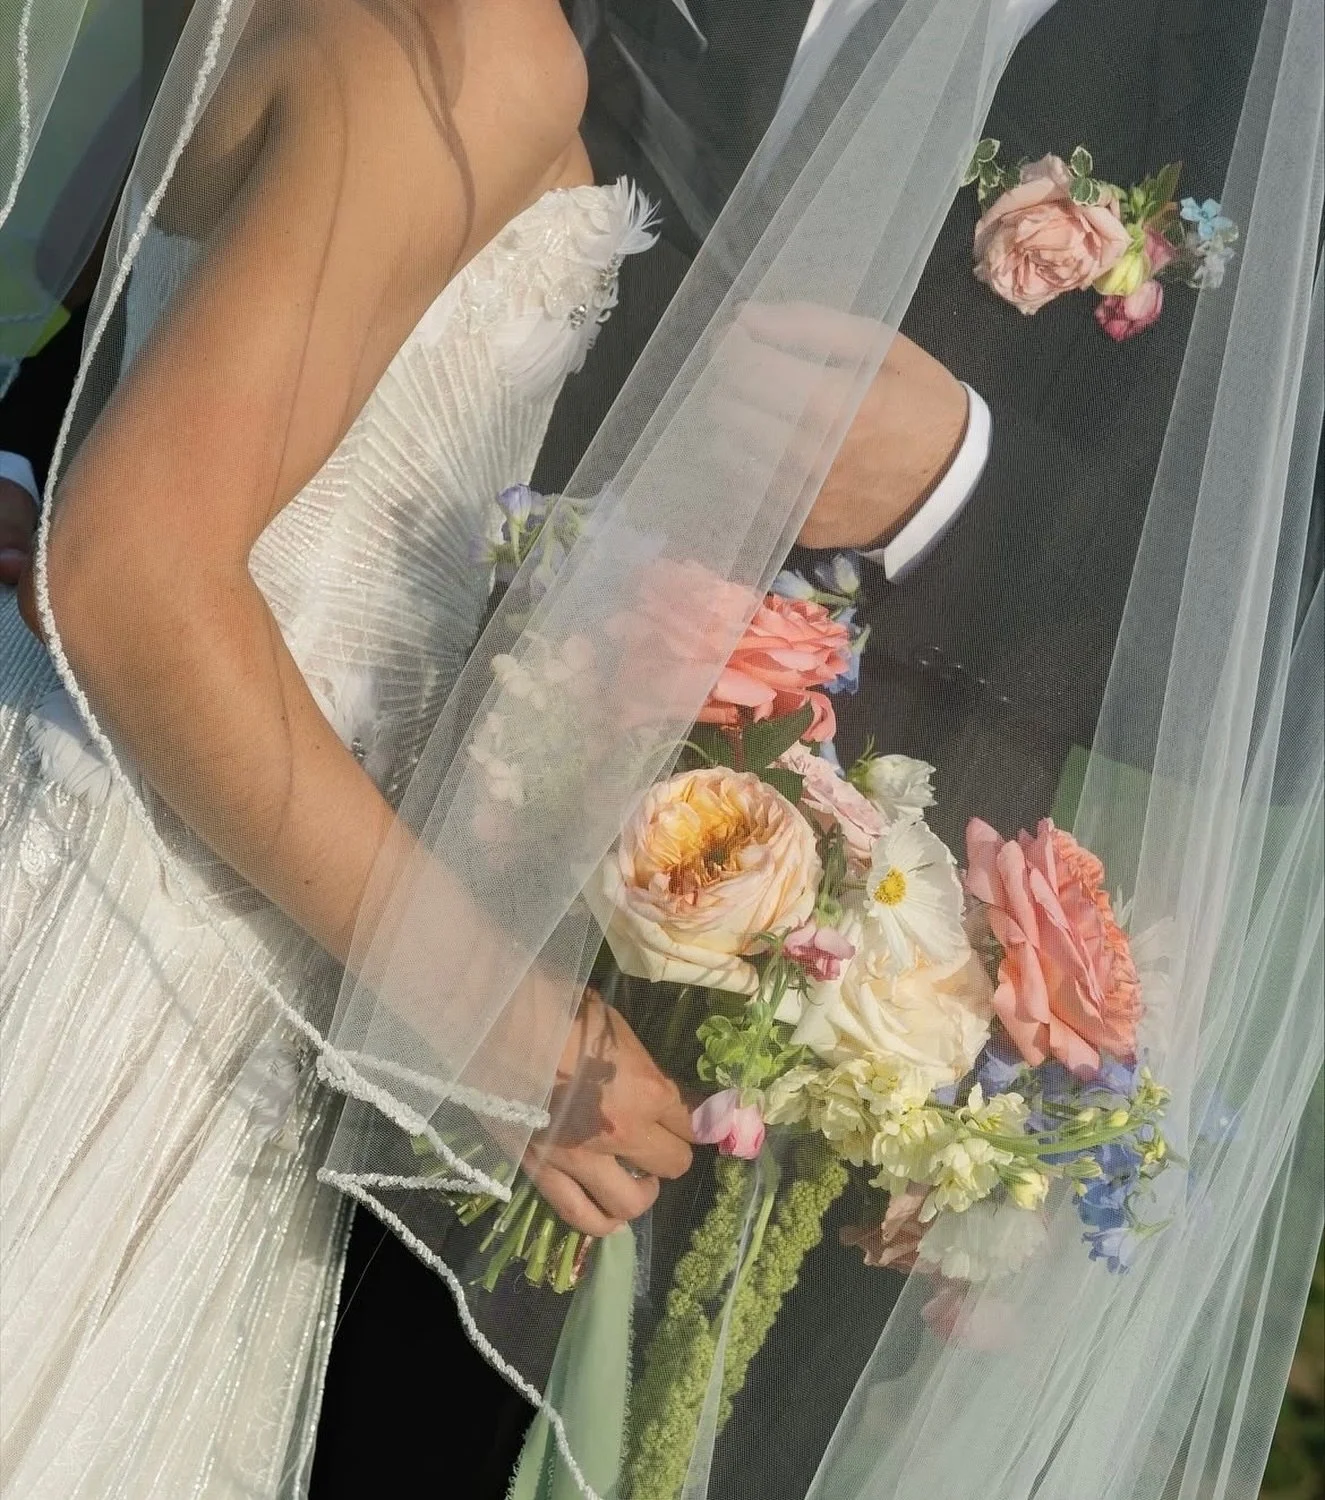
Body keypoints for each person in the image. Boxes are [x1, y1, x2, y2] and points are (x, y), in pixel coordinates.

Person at [0, 0, 981, 1493]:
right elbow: (134, 571)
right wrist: (494, 1021)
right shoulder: (475, 54)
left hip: (148, 869)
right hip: (156, 942)